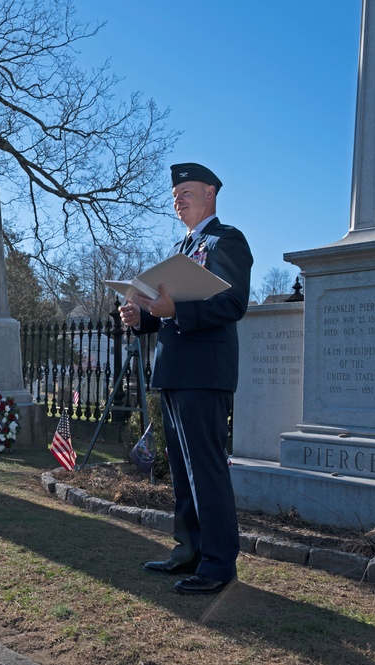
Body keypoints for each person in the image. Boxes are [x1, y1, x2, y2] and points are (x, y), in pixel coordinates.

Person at [119, 162, 253, 595]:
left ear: (211, 193)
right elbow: (169, 316)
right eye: (175, 196)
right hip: (176, 372)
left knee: (206, 471)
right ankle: (188, 551)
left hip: (205, 373)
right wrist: (140, 317)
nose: (179, 200)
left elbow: (232, 304)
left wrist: (175, 310)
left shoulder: (226, 240)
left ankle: (217, 565)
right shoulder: (184, 245)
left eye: (187, 193)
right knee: (181, 470)